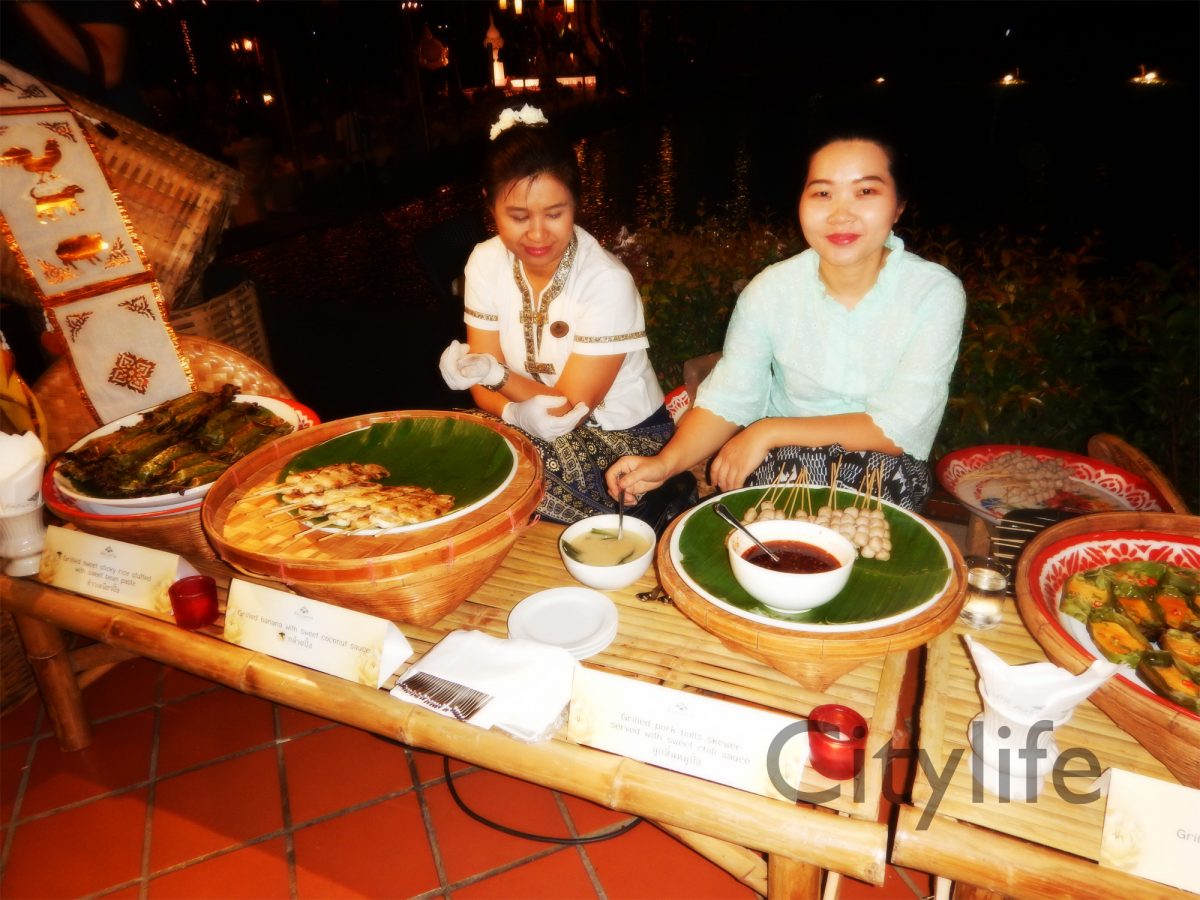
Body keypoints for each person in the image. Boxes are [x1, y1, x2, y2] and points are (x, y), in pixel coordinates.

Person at [606, 128, 966, 513]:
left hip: (887, 465)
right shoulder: (771, 290)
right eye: (822, 193)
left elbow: (900, 426)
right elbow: (730, 397)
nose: (840, 214)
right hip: (784, 460)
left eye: (865, 191)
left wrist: (769, 430)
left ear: (898, 207)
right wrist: (664, 464)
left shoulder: (933, 292)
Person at [439, 104, 680, 524]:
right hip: (532, 428)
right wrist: (511, 412)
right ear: (489, 206)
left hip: (624, 441)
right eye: (518, 216)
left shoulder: (605, 280)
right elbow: (482, 390)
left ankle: (656, 503)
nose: (537, 234)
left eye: (555, 214)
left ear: (576, 204)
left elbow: (569, 408)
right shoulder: (484, 262)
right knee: (451, 441)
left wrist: (496, 376)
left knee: (521, 471)